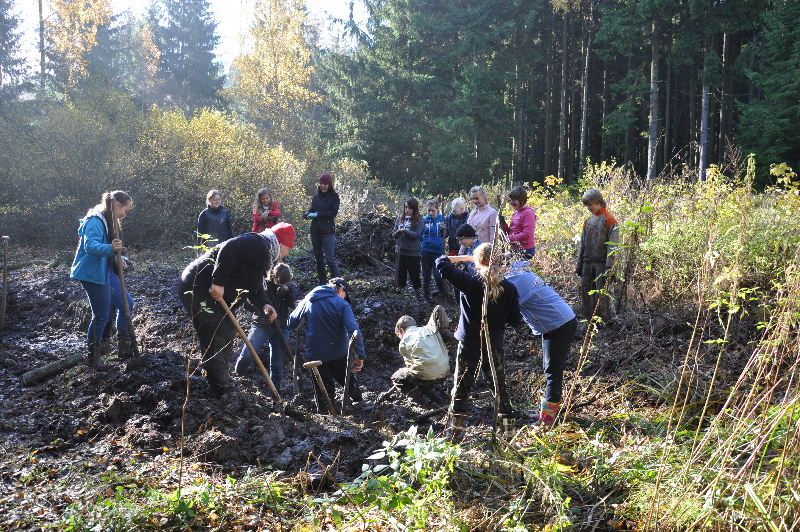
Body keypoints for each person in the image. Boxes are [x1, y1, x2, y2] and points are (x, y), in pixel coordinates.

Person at [178, 223, 296, 398]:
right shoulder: (259, 244)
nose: (287, 253)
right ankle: (220, 388)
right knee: (217, 333)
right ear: (281, 242)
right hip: (199, 287)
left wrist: (264, 303)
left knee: (227, 331)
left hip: (209, 292)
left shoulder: (263, 253)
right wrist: (218, 281)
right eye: (289, 248)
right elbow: (229, 248)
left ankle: (220, 380)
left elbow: (254, 285)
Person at [436, 243, 523, 439]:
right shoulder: (508, 288)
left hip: (470, 345)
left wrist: (466, 258)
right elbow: (516, 321)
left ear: (478, 261)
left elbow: (440, 261)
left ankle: (454, 435)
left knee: (461, 388)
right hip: (494, 346)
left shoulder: (471, 282)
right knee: (500, 389)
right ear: (499, 262)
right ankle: (509, 433)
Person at [505, 260, 577, 426]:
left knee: (553, 371)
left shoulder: (517, 282)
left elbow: (509, 310)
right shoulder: (520, 274)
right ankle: (547, 414)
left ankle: (548, 419)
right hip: (559, 322)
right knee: (550, 369)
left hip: (559, 324)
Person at [70, 191, 136, 368]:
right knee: (101, 315)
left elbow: (109, 251)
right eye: (125, 210)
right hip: (92, 273)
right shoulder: (95, 220)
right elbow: (90, 246)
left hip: (105, 270)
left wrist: (119, 258)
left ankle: (124, 347)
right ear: (117, 205)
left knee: (127, 303)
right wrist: (111, 248)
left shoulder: (110, 221)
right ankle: (94, 357)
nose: (125, 214)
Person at [288, 277, 366, 413]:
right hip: (338, 352)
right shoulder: (342, 304)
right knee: (347, 381)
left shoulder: (308, 299)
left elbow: (291, 323)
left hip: (315, 354)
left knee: (322, 391)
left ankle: (325, 418)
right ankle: (361, 406)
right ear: (341, 289)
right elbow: (354, 330)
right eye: (345, 294)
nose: (345, 297)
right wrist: (360, 355)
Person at [234, 263, 299, 390]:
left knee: (277, 363)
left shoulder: (289, 287)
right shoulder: (262, 285)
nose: (281, 285)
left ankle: (276, 391)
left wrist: (288, 291)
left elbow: (293, 304)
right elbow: (248, 304)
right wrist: (263, 306)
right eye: (280, 282)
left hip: (281, 327)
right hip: (261, 325)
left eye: (284, 283)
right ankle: (236, 377)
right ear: (273, 276)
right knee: (248, 354)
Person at [384, 305, 451, 405]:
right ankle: (437, 399)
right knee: (420, 375)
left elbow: (410, 365)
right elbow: (439, 308)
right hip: (446, 370)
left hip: (425, 374)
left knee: (397, 377)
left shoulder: (404, 341)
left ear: (401, 330)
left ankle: (418, 403)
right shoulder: (429, 328)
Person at [576, 188, 619, 323]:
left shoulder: (610, 220)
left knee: (603, 294)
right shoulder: (587, 221)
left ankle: (608, 321)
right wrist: (579, 264)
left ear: (599, 202)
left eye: (591, 204)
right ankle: (591, 322)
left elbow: (613, 246)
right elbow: (582, 244)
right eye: (587, 205)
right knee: (586, 292)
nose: (589, 207)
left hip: (602, 264)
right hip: (587, 263)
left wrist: (609, 266)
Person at [304, 173, 341, 283]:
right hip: (315, 231)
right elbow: (311, 210)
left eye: (326, 184)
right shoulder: (316, 197)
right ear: (319, 184)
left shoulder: (334, 197)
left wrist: (318, 214)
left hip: (328, 231)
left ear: (330, 184)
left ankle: (339, 283)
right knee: (318, 258)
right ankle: (323, 282)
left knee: (330, 259)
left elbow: (333, 213)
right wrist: (307, 214)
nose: (324, 186)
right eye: (322, 184)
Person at [393, 197, 425, 296]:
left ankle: (419, 294)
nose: (407, 210)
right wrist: (397, 233)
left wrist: (404, 231)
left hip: (413, 253)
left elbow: (416, 235)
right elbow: (394, 234)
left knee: (414, 275)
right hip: (401, 251)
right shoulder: (400, 218)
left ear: (414, 209)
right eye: (406, 207)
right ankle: (400, 294)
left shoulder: (420, 219)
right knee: (401, 274)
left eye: (410, 208)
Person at [420, 199, 446, 303]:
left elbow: (446, 235)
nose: (431, 213)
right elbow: (420, 234)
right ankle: (426, 295)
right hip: (426, 251)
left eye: (433, 210)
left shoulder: (442, 219)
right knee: (426, 274)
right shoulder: (424, 220)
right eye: (429, 210)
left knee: (437, 274)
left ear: (437, 209)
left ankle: (442, 291)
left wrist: (445, 230)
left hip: (438, 251)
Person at [507, 186, 537, 257]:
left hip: (525, 250)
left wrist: (510, 238)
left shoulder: (528, 213)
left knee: (520, 268)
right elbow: (513, 230)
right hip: (515, 249)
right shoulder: (516, 213)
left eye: (514, 200)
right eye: (510, 200)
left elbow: (527, 234)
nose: (511, 202)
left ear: (522, 200)